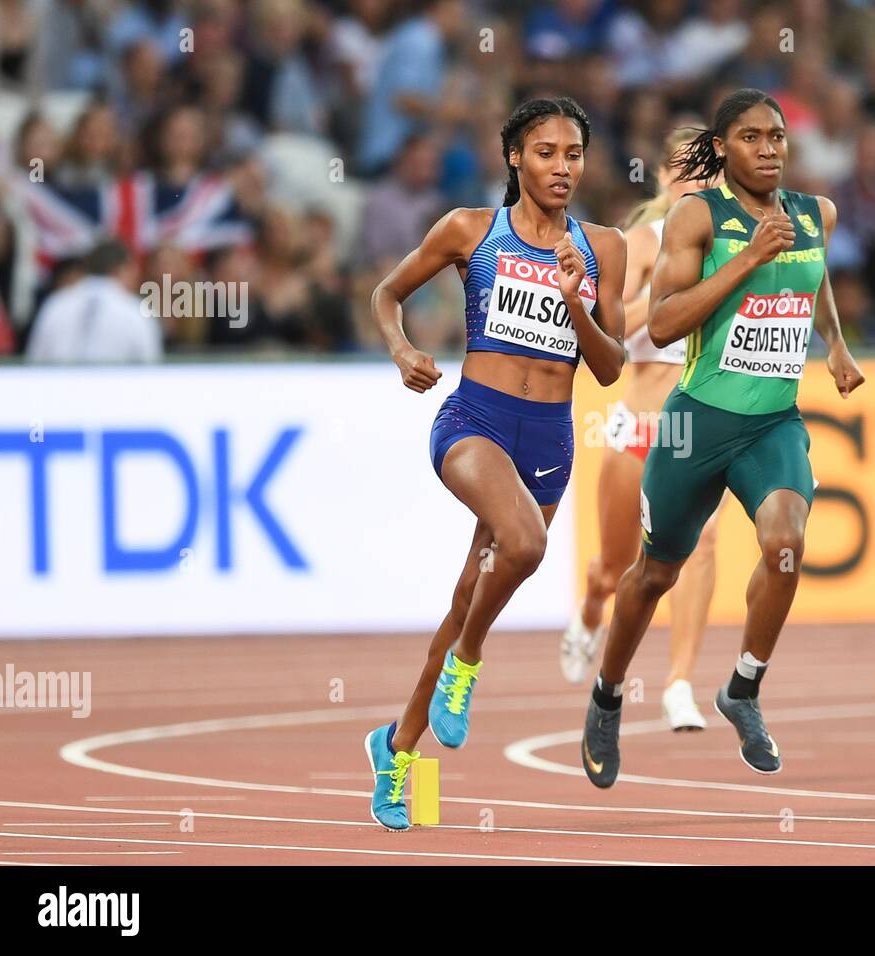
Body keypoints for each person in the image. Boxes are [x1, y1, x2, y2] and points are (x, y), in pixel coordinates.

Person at [580, 88, 864, 788]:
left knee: (786, 544)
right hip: (695, 423)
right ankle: (608, 696)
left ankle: (743, 687)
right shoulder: (696, 217)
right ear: (721, 148)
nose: (768, 149)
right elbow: (663, 324)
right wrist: (745, 260)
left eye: (777, 137)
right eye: (751, 137)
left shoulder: (815, 214)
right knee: (654, 574)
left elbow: (814, 278)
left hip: (772, 424)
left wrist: (834, 343)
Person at [364, 96, 626, 829]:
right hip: (474, 422)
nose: (562, 167)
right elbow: (387, 293)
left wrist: (576, 304)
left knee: (463, 598)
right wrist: (403, 350)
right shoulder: (470, 229)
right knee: (526, 543)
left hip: (548, 442)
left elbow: (610, 368)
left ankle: (395, 749)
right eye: (546, 153)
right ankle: (468, 662)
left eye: (573, 154)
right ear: (515, 158)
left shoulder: (604, 248)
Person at [560, 127, 723, 732]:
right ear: (662, 178)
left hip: (700, 429)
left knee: (701, 545)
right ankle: (592, 605)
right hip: (641, 427)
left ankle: (679, 683)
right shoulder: (642, 242)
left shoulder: (732, 247)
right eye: (684, 172)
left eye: (706, 173)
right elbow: (609, 326)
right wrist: (659, 299)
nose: (695, 183)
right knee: (617, 565)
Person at [25, 239, 161, 364]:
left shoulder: (56, 304)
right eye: (133, 270)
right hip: (116, 382)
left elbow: (35, 361)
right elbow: (150, 369)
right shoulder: (136, 310)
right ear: (121, 270)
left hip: (60, 381)